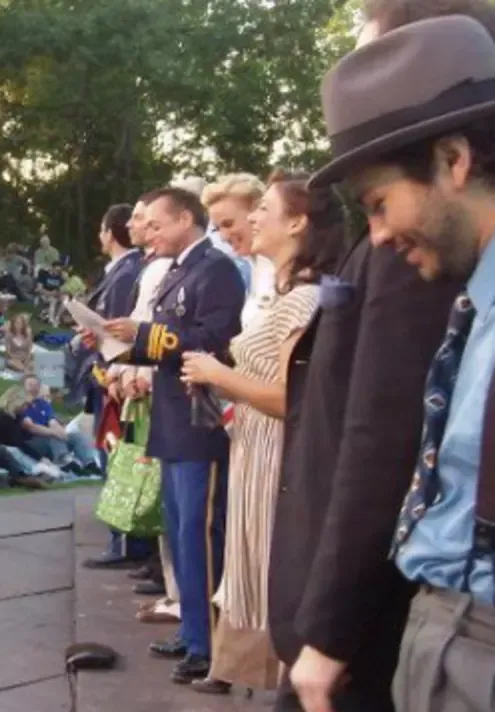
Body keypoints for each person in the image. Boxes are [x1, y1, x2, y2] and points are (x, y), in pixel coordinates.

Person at [278, 16, 495, 712]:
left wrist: (331, 630)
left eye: (379, 203)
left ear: (454, 160)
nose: (375, 235)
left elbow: (380, 432)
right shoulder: (473, 299)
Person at [179, 171, 339, 694]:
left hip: (275, 461)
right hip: (255, 450)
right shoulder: (287, 294)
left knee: (274, 577)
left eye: (263, 209)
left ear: (298, 222)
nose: (252, 219)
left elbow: (296, 400)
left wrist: (217, 375)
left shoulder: (304, 300)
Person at [101, 187, 246, 684]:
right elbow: (163, 341)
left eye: (157, 225)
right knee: (181, 532)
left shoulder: (217, 270)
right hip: (171, 415)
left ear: (185, 219)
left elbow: (213, 341)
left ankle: (208, 645)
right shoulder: (180, 270)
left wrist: (139, 337)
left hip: (199, 422)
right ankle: (191, 629)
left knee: (199, 534)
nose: (149, 234)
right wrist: (119, 345)